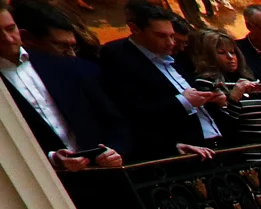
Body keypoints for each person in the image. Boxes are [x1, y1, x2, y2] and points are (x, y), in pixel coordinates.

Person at [1, 3, 128, 168]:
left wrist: (116, 149)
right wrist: (52, 158)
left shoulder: (61, 64)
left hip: (101, 169)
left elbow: (113, 120)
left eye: (11, 29)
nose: (8, 38)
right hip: (44, 179)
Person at [97, 2, 223, 159]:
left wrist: (212, 98)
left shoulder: (173, 54)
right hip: (174, 151)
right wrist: (183, 101)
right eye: (161, 36)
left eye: (171, 35)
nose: (170, 42)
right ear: (135, 29)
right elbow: (132, 111)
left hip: (211, 141)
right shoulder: (118, 55)